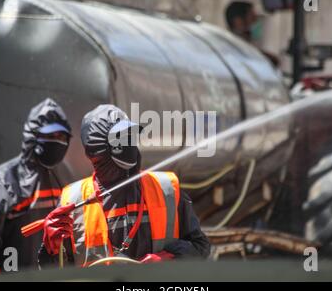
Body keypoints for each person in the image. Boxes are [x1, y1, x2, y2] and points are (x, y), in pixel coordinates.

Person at [38, 104, 210, 267]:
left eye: (129, 137)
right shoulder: (73, 201)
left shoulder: (166, 189)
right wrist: (51, 249)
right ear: (95, 154)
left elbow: (201, 247)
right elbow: (56, 273)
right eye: (120, 139)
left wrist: (167, 257)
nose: (129, 146)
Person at [0, 98, 72, 275]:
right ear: (33, 136)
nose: (57, 142)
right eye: (50, 136)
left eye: (62, 137)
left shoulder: (64, 179)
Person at [225, 1, 279, 66]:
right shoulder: (229, 52)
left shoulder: (249, 50)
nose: (256, 22)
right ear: (238, 22)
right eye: (252, 18)